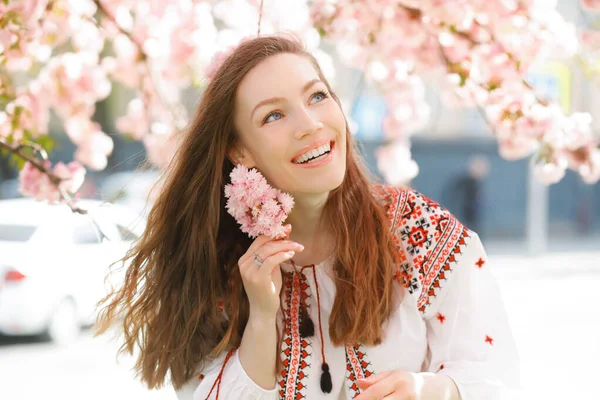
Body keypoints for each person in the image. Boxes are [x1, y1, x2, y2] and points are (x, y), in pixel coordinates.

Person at [96, 34, 520, 400]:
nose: (311, 124)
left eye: (317, 96)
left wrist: (431, 388)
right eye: (274, 115)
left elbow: (495, 373)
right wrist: (262, 316)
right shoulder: (215, 261)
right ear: (239, 151)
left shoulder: (418, 232)